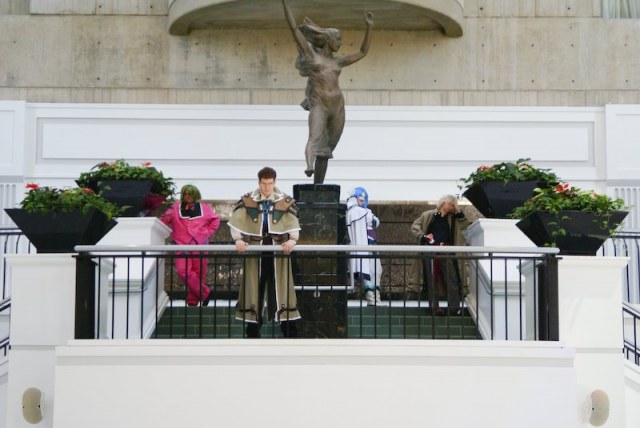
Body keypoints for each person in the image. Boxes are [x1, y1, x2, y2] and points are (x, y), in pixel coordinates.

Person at [282, 0, 374, 184]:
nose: (340, 43)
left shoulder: (337, 62)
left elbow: (363, 52)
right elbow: (293, 29)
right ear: (327, 40)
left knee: (327, 149)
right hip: (320, 104)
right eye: (337, 39)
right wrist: (285, 4)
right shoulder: (312, 57)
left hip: (337, 105)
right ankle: (309, 165)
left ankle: (318, 184)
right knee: (314, 137)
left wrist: (369, 27)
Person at [228, 167, 302, 338]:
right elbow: (237, 222)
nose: (267, 187)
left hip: (279, 254)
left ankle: (289, 332)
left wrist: (292, 240)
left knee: (282, 290)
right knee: (255, 290)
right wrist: (238, 239)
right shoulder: (248, 200)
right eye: (264, 183)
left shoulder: (285, 201)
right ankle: (253, 332)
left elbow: (293, 224)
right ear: (259, 182)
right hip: (256, 253)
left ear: (274, 182)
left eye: (270, 183)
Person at [406, 195, 471, 315]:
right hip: (431, 250)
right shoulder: (428, 215)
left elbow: (467, 227)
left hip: (447, 249)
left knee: (452, 279)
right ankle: (434, 307)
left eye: (453, 205)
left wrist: (460, 214)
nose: (452, 207)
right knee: (431, 279)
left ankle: (454, 308)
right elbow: (415, 226)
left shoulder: (454, 218)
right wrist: (424, 236)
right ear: (443, 203)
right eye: (450, 204)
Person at [160, 184, 221, 307]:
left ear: (195, 195)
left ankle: (192, 300)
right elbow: (162, 220)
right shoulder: (175, 208)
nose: (187, 196)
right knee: (183, 271)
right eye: (185, 194)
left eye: (190, 194)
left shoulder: (204, 207)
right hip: (181, 245)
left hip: (200, 244)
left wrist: (207, 233)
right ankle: (205, 292)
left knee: (199, 273)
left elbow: (216, 219)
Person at [345, 187, 384, 306]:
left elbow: (375, 222)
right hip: (363, 246)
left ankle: (376, 298)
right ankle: (372, 299)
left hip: (371, 245)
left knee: (377, 271)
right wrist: (370, 215)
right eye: (360, 199)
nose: (362, 202)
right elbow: (373, 220)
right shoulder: (355, 211)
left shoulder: (362, 211)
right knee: (367, 271)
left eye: (363, 200)